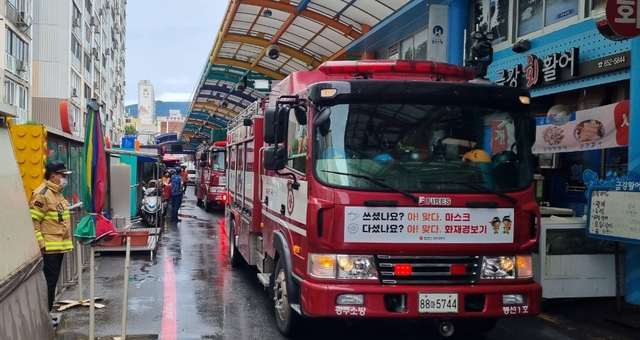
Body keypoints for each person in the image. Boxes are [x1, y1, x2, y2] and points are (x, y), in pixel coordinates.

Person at [29, 161, 74, 317]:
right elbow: (34, 222)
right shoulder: (42, 194)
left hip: (57, 247)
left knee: (52, 283)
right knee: (48, 284)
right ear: (53, 176)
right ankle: (44, 317)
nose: (64, 179)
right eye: (62, 175)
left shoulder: (56, 193)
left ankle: (46, 315)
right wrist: (41, 245)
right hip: (49, 249)